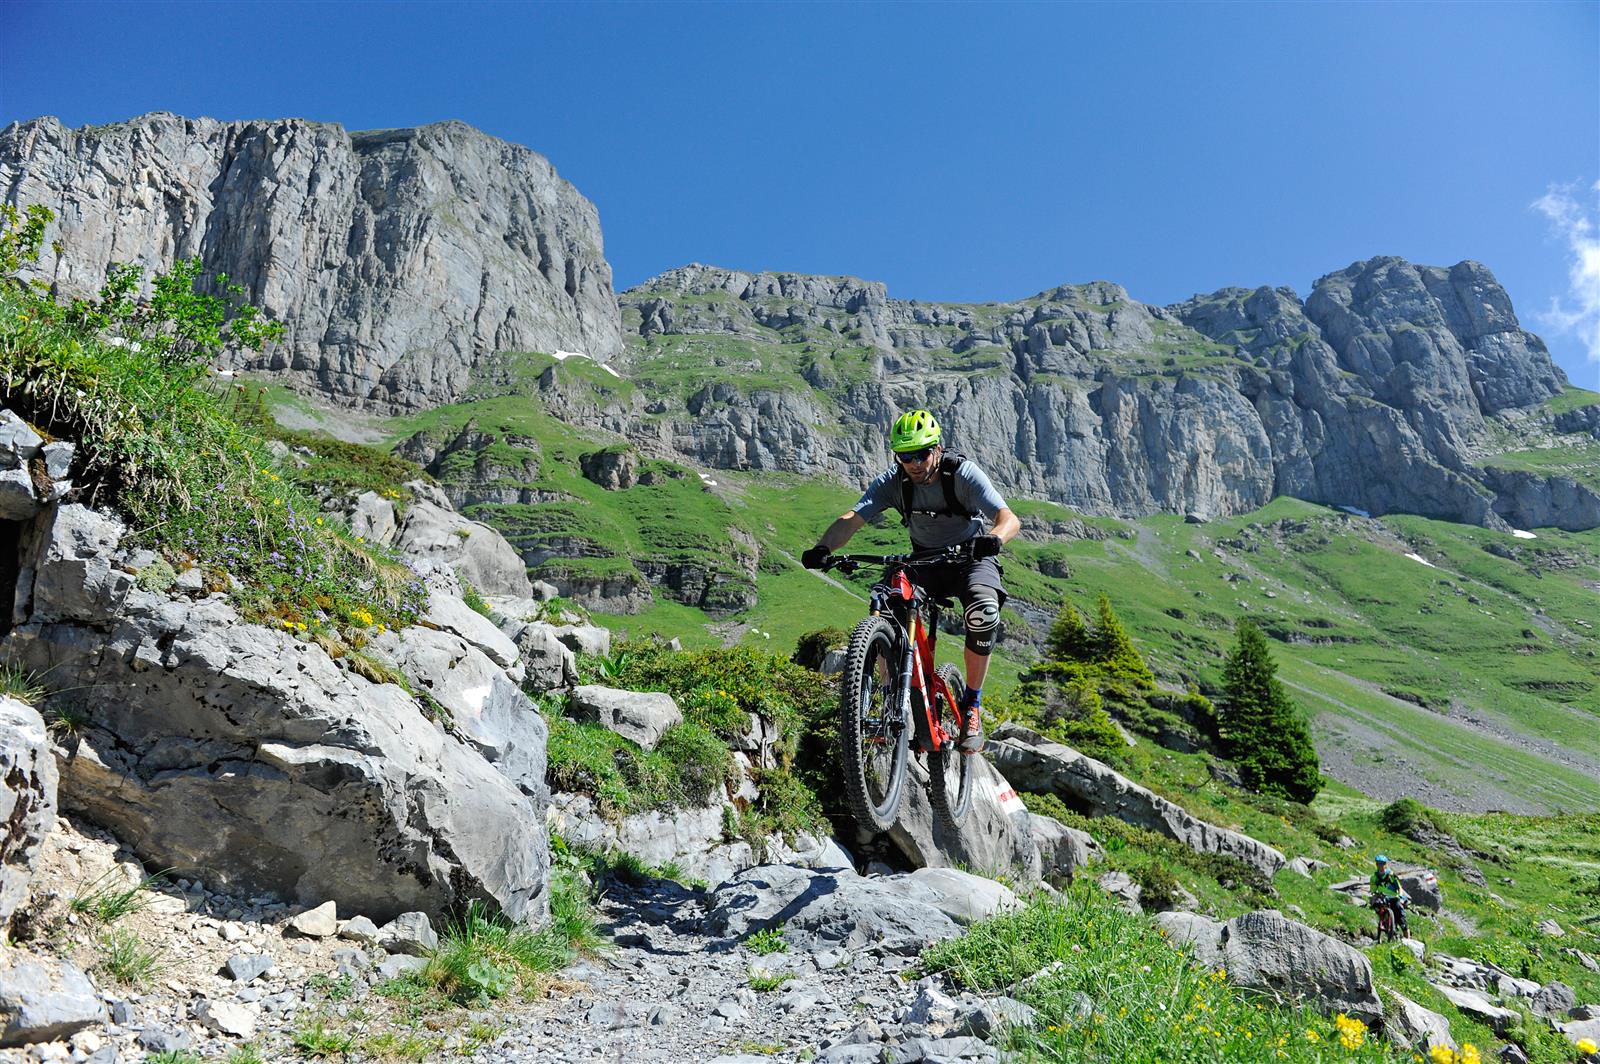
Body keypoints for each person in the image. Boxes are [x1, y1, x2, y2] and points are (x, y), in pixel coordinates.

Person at [801, 409, 1019, 753]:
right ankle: (890, 700)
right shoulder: (894, 482)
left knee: (984, 611)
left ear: (937, 448)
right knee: (888, 602)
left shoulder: (962, 474)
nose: (914, 463)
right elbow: (853, 519)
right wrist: (823, 548)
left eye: (921, 454)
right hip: (925, 561)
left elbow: (1008, 518)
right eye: (905, 456)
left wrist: (994, 539)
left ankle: (972, 704)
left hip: (971, 560)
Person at [1371, 854, 1409, 937]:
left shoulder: (1391, 875)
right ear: (1376, 864)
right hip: (1383, 897)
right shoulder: (1374, 877)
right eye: (1378, 863)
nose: (1381, 866)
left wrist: (1400, 896)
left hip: (1394, 897)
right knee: (1377, 905)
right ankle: (1384, 923)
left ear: (1386, 864)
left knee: (1401, 919)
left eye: (1382, 863)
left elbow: (1399, 887)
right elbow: (1373, 890)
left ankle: (1408, 939)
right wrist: (1374, 895)